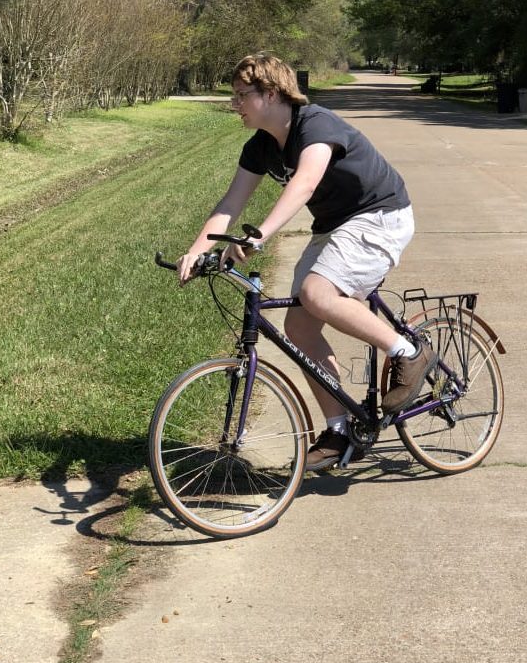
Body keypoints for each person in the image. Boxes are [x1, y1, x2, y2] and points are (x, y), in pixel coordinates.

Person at [177, 53, 436, 471]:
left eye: (242, 95)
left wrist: (259, 236)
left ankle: (408, 352)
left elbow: (305, 183)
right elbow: (230, 202)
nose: (234, 104)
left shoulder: (315, 125)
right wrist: (197, 249)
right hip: (335, 224)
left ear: (272, 93)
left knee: (316, 293)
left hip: (380, 214)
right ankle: (339, 432)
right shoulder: (260, 147)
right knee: (298, 326)